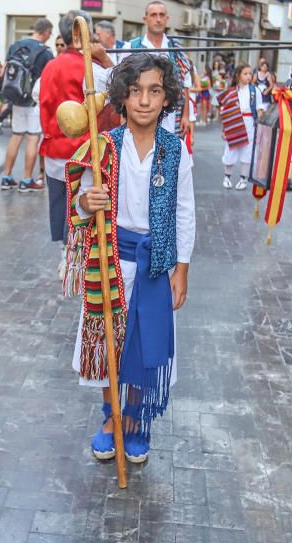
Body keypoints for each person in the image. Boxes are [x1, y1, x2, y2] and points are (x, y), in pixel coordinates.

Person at [66, 53, 195, 463]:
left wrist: (183, 269)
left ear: (166, 97)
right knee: (110, 342)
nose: (144, 100)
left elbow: (185, 211)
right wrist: (88, 199)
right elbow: (80, 201)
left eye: (154, 91)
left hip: (156, 262)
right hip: (111, 259)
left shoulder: (176, 151)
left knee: (145, 344)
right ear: (120, 97)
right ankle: (112, 417)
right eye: (135, 91)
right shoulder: (103, 147)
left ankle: (137, 416)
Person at [38, 10, 115, 249]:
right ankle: (71, 254)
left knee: (61, 202)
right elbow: (116, 93)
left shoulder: (50, 66)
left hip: (53, 147)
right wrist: (106, 61)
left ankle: (64, 250)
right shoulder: (89, 67)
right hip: (80, 150)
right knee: (77, 209)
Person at [0, 18, 54, 192]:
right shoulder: (46, 53)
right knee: (32, 137)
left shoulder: (15, 46)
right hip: (33, 101)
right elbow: (48, 80)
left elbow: (5, 71)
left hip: (16, 98)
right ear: (46, 32)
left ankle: (7, 177)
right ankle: (26, 179)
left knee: (16, 136)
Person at [127, 1, 193, 137]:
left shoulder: (175, 48)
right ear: (145, 19)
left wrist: (186, 116)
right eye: (153, 15)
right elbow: (124, 85)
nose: (158, 19)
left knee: (170, 152)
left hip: (171, 114)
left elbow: (185, 82)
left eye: (162, 15)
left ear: (167, 19)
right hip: (143, 110)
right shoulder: (132, 47)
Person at [219, 63, 264, 190]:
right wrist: (224, 129)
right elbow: (225, 110)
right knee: (231, 148)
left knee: (247, 150)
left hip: (249, 122)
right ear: (238, 75)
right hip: (234, 121)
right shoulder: (231, 91)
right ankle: (227, 177)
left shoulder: (255, 91)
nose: (249, 76)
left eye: (250, 73)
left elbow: (260, 109)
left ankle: (243, 179)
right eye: (245, 73)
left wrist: (260, 126)